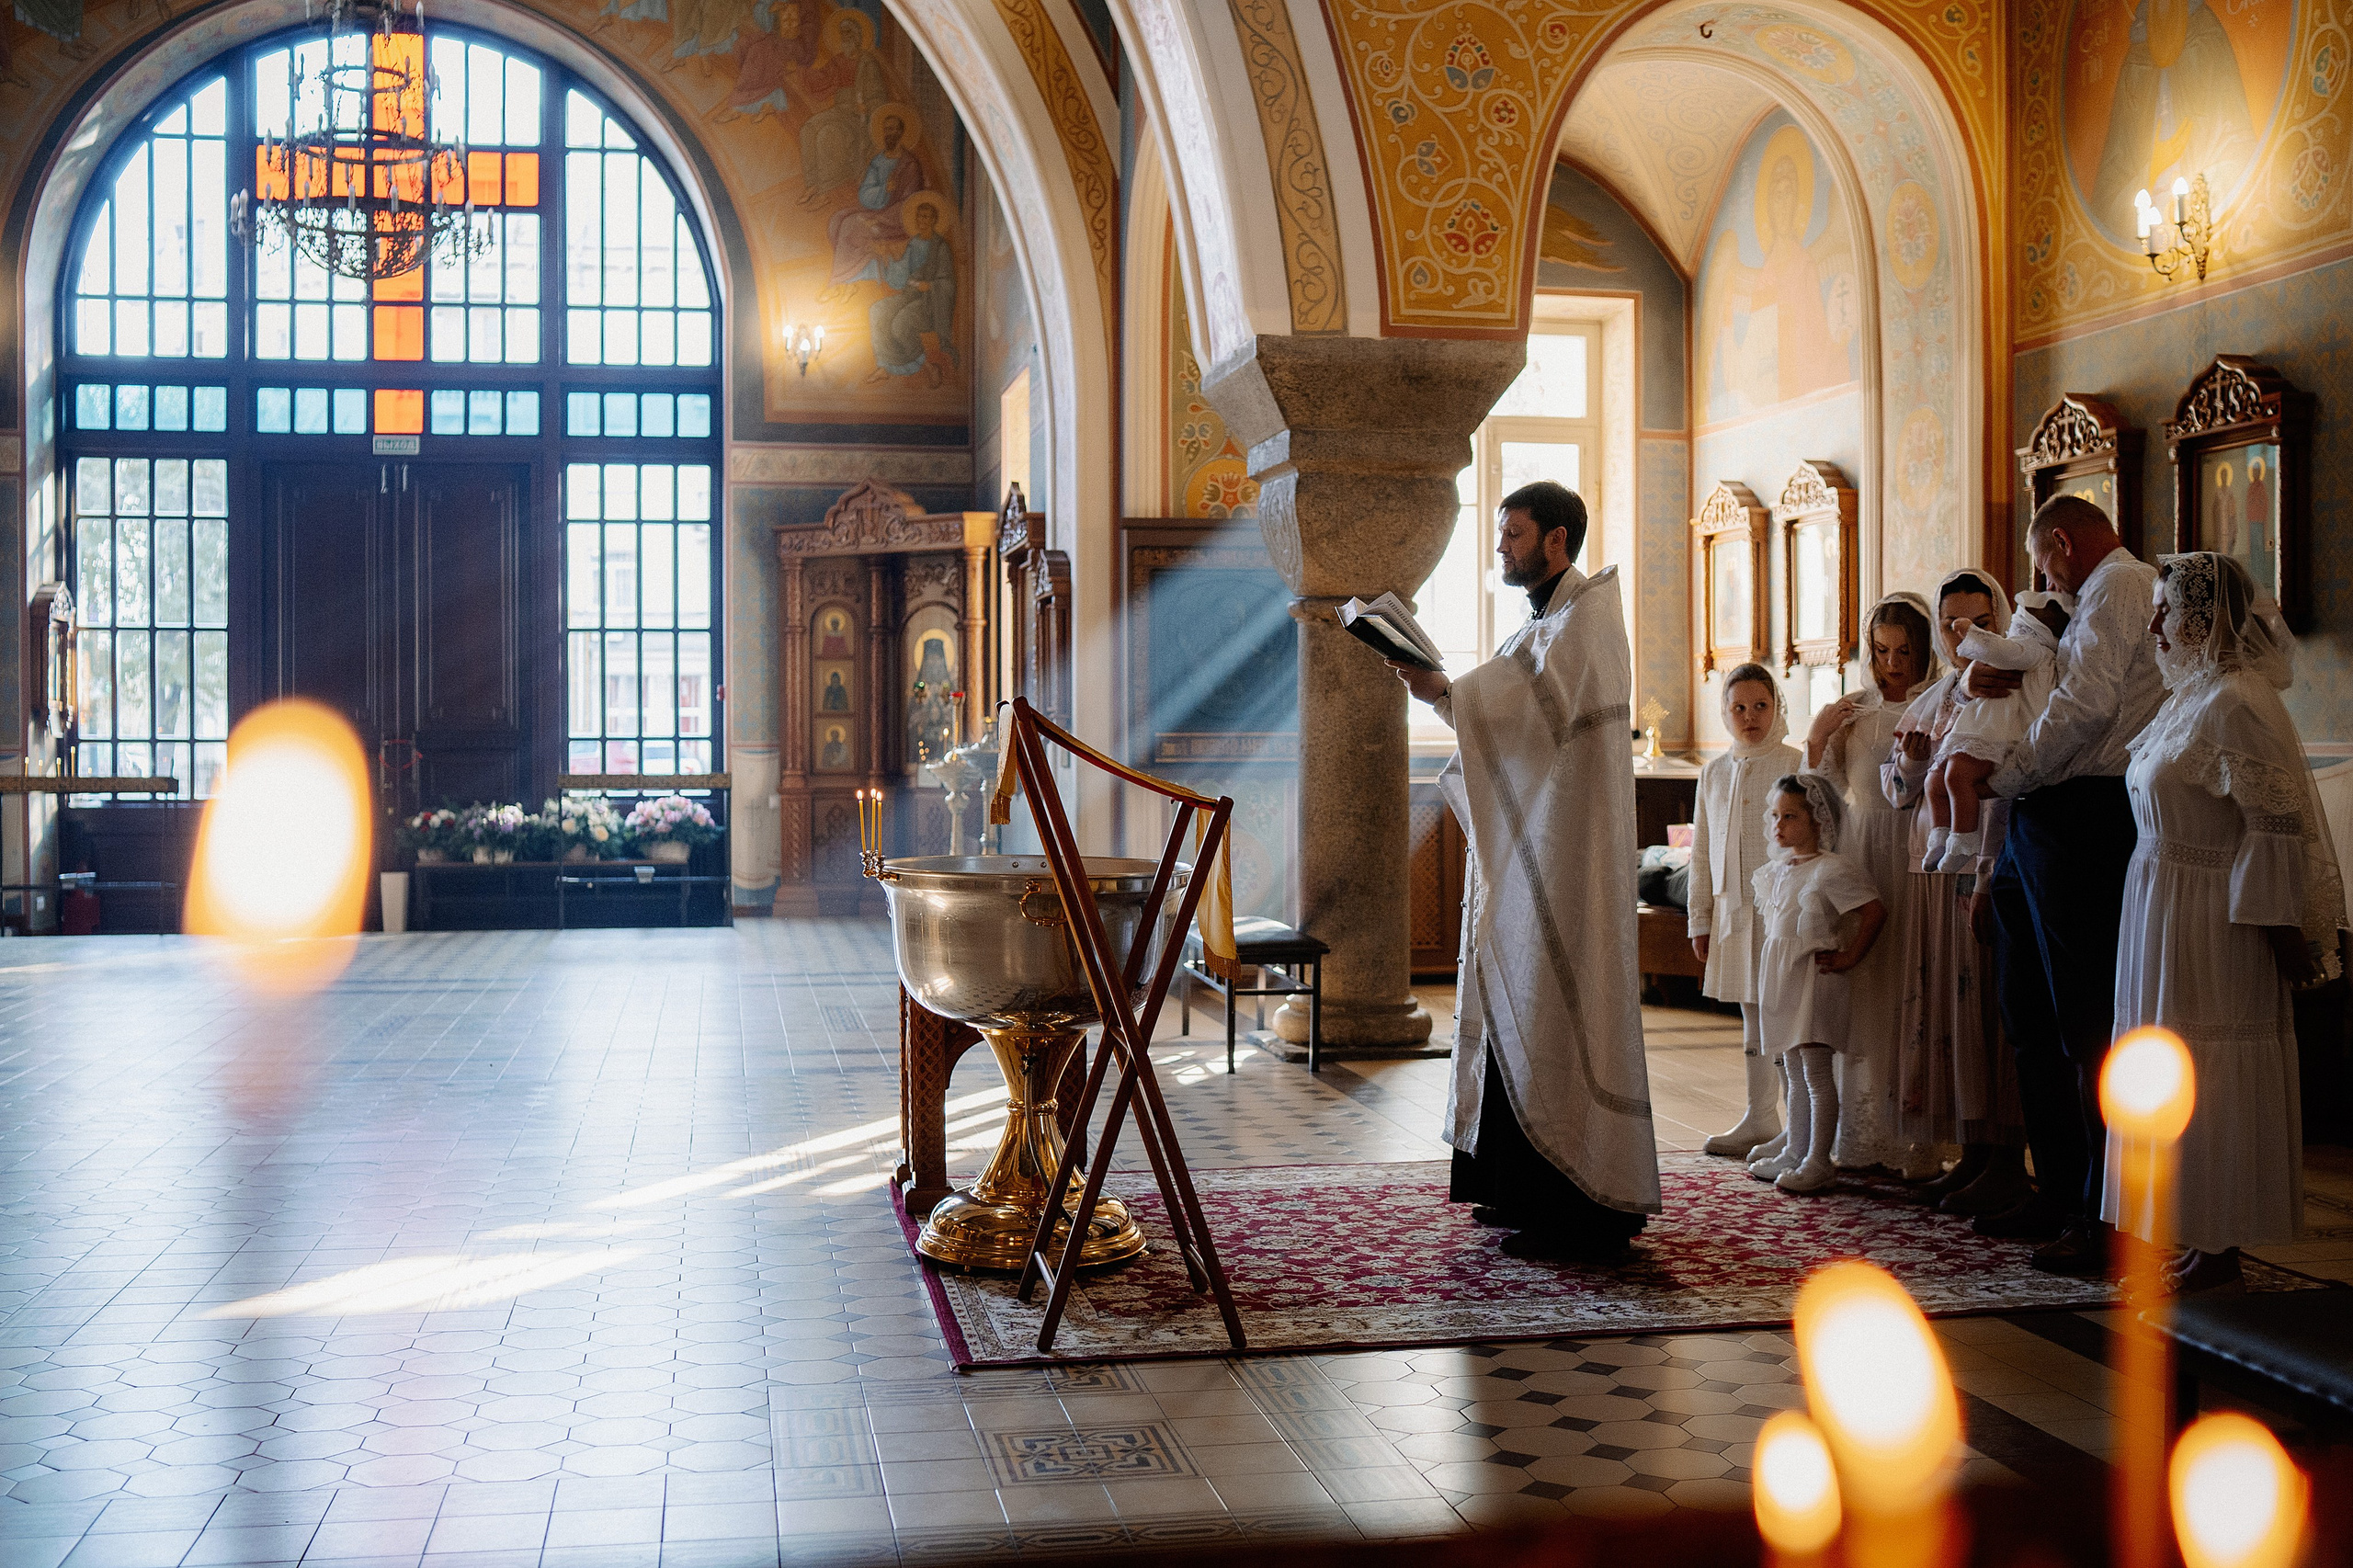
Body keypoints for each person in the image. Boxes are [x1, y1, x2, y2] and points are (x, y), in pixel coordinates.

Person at [1391, 482, 1661, 1259]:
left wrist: (1444, 689)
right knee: (1520, 1007)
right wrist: (1441, 692)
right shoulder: (1543, 623)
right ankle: (1514, 1188)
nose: (1501, 546)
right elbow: (1508, 717)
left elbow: (1519, 707)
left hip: (1566, 864)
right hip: (1531, 852)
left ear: (1557, 539)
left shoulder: (1585, 623)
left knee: (1551, 1010)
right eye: (1502, 533)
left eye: (1513, 533)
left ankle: (1574, 1211)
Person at [2104, 553, 2345, 1291]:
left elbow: (2273, 826)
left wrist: (2281, 929)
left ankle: (2219, 1243)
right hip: (2162, 904)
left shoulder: (2237, 701)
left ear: (2205, 618)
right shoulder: (2189, 697)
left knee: (2209, 1068)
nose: (2154, 625)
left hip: (2214, 920)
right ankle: (2189, 1227)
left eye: (2167, 610)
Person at [1973, 495, 2165, 1275]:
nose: (2044, 579)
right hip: (2044, 811)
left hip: (2086, 814)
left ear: (2061, 540)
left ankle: (2101, 1214)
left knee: (2085, 1021)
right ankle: (2055, 1188)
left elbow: (2086, 704)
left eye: (2043, 563)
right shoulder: (2088, 599)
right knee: (2029, 1012)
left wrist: (2007, 773)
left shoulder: (2121, 585)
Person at [1884, 571, 2034, 1216]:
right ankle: (1971, 1154)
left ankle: (2005, 1162)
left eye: (1979, 622)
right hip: (1932, 872)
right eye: (1950, 624)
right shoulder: (1937, 694)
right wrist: (1914, 763)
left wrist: (1992, 868)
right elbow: (1897, 790)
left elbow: (2012, 782)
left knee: (1991, 1017)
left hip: (1983, 870)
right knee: (1950, 1011)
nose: (1962, 635)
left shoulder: (2012, 685)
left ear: (2002, 622)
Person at [1802, 592, 1938, 1177]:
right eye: (1882, 651)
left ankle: (1916, 1137)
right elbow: (1821, 793)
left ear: (1923, 650)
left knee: (1910, 981)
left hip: (1916, 850)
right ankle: (1862, 1131)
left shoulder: (1938, 702)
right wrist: (1817, 738)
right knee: (1865, 986)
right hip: (1862, 850)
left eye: (1904, 652)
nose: (1892, 664)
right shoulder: (1853, 712)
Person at [1749, 774, 1886, 1193]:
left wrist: (1850, 956)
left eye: (1790, 816)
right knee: (1792, 1071)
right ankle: (1796, 1150)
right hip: (1785, 982)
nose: (1779, 825)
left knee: (1815, 1073)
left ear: (1819, 820)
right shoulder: (1775, 871)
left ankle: (1819, 1160)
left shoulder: (1832, 869)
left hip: (1816, 981)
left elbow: (1874, 911)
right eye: (1775, 815)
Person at [1688, 664, 1802, 1161]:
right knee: (1751, 1012)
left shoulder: (1796, 764)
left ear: (1777, 707)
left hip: (1782, 911)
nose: (1750, 717)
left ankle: (1799, 1121)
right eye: (1739, 708)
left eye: (1760, 706)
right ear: (1725, 712)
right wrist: (1700, 919)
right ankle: (1760, 1114)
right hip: (1733, 912)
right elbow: (1702, 852)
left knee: (1784, 1012)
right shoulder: (1713, 773)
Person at [1920, 591, 2072, 872]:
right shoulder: (2024, 650)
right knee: (1934, 781)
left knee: (1957, 777)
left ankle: (1963, 842)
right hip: (1983, 727)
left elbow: (2001, 650)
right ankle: (1939, 836)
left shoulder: (2032, 649)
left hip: (1997, 734)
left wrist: (1971, 633)